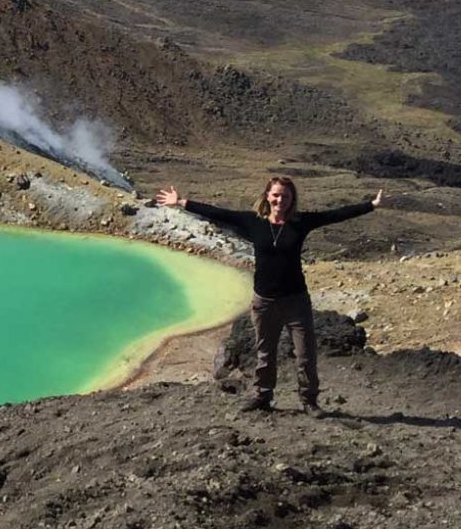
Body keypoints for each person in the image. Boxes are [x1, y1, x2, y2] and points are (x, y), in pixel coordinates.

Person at [155, 177, 385, 416]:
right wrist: (181, 202)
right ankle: (262, 396)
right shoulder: (253, 222)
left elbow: (336, 214)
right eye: (276, 195)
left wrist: (371, 205)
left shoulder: (300, 222)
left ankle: (309, 401)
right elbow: (218, 213)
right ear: (267, 196)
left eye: (285, 196)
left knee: (305, 355)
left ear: (291, 200)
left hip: (296, 300)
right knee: (265, 353)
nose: (280, 200)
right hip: (264, 302)